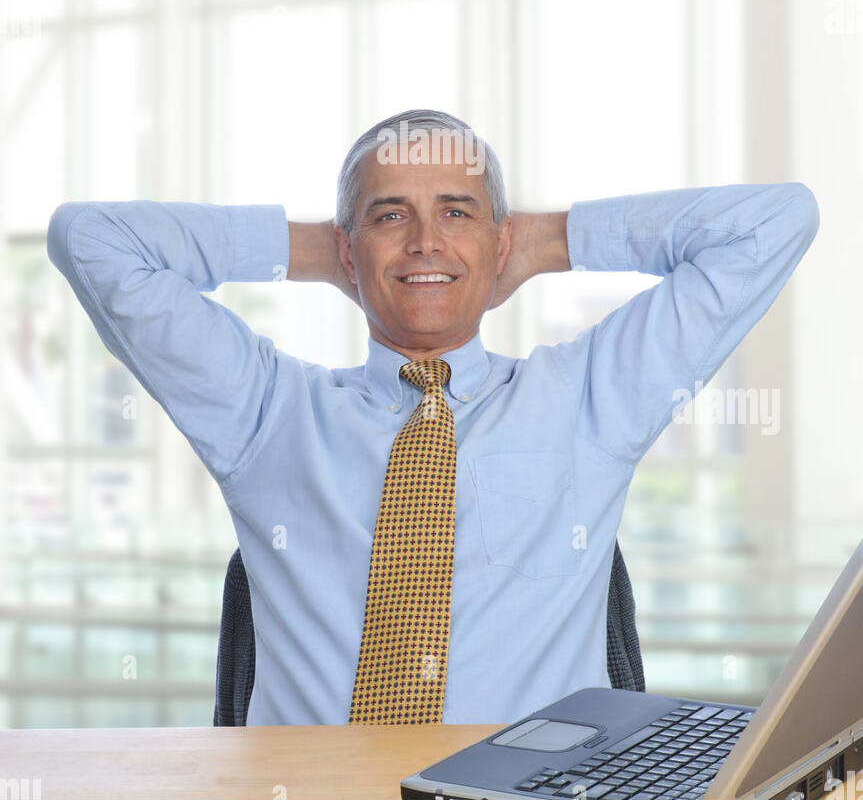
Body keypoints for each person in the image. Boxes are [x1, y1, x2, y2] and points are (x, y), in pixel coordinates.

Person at [45, 107, 820, 726]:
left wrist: (549, 241)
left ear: (499, 239)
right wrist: (321, 250)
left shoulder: (588, 398)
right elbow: (90, 237)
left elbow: (775, 220)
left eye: (457, 212)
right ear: (351, 250)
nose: (424, 241)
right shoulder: (265, 410)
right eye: (390, 217)